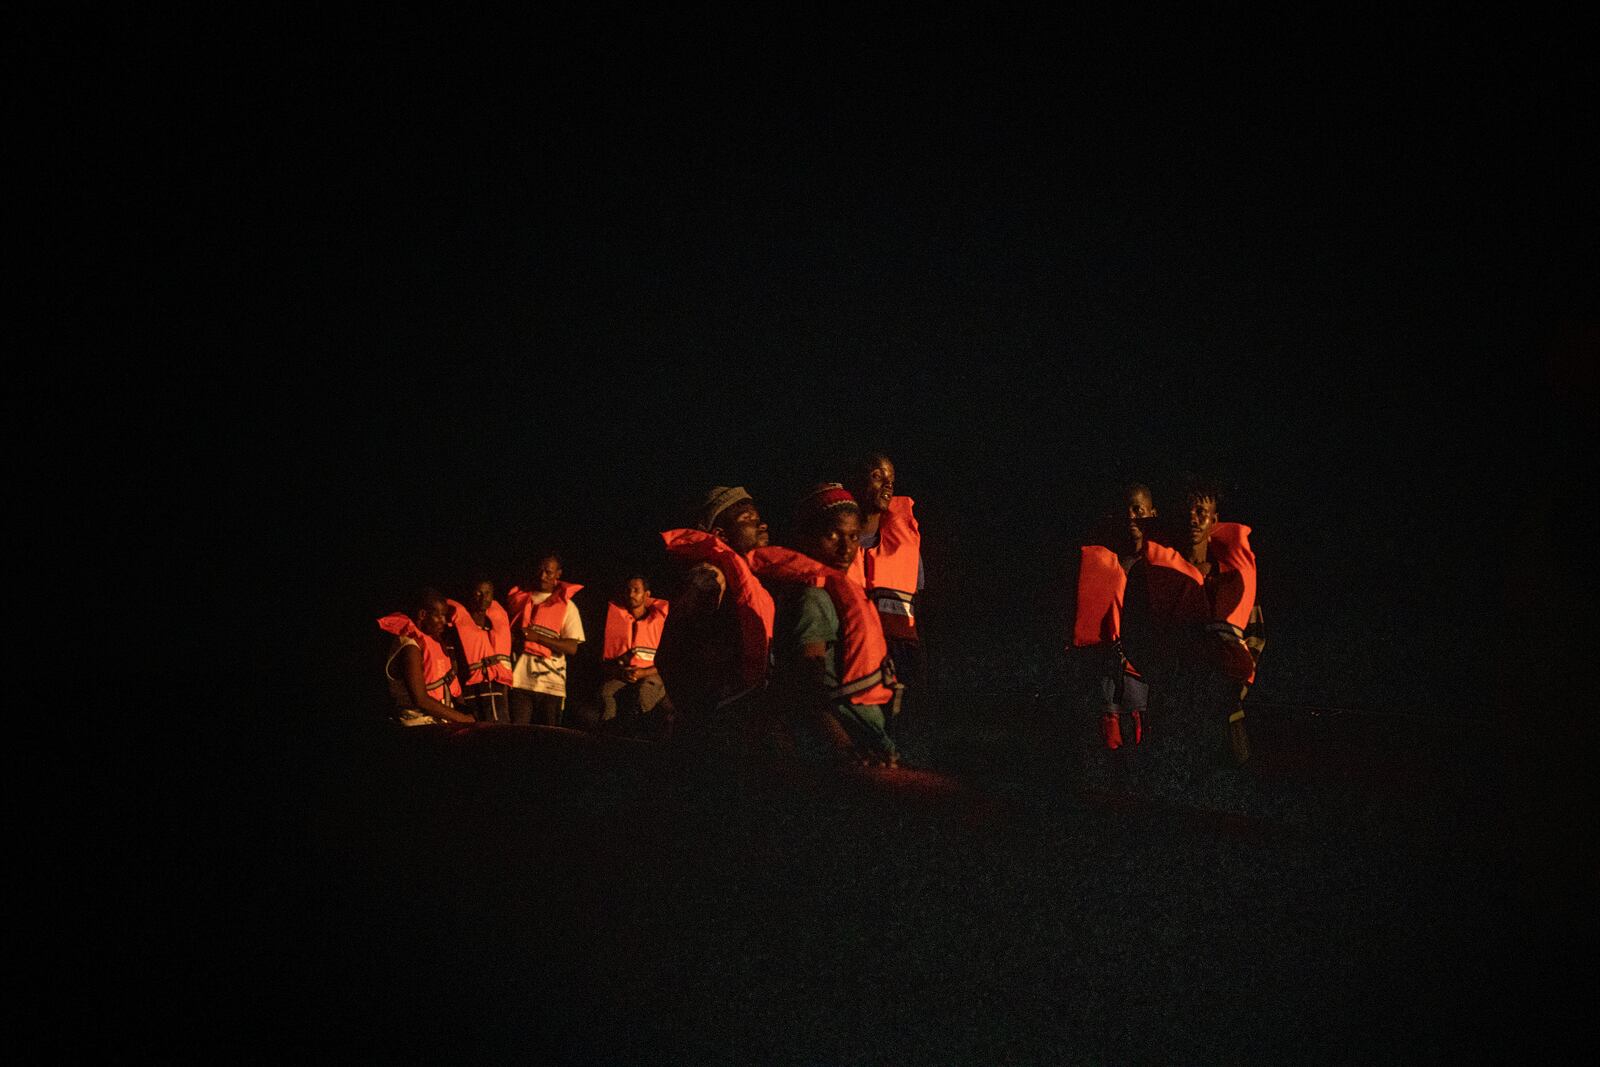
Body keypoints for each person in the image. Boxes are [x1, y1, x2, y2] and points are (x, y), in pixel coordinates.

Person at [753, 483, 900, 768]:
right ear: (806, 538)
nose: (846, 548)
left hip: (864, 739)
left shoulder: (837, 590)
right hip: (845, 746)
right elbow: (807, 686)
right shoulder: (813, 598)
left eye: (853, 536)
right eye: (832, 535)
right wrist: (844, 749)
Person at [1131, 482, 1263, 793]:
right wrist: (1167, 672)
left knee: (1226, 798)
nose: (1192, 519)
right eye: (1186, 512)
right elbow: (1134, 634)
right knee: (1168, 797)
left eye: (1201, 512)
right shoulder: (1148, 573)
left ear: (1214, 521)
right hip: (1172, 707)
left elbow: (1256, 636)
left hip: (1223, 713)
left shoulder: (1234, 576)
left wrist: (1234, 685)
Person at [657, 486, 776, 725]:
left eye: (758, 518)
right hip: (719, 716)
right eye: (748, 519)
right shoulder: (709, 576)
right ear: (721, 535)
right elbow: (677, 651)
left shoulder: (747, 579)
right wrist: (701, 709)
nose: (761, 525)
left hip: (737, 707)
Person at [1071, 483, 1157, 752]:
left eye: (1138, 509)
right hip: (1105, 673)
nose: (1131, 516)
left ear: (1152, 514)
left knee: (1140, 745)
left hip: (1141, 674)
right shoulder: (1105, 561)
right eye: (1126, 510)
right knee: (1104, 747)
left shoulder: (1160, 565)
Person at [506, 554, 586, 726]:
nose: (543, 576)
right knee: (517, 735)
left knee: (549, 739)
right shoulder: (518, 600)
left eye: (548, 572)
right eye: (540, 571)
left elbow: (572, 648)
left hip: (551, 685)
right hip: (520, 681)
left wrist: (538, 638)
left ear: (558, 574)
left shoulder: (568, 607)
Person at [377, 588, 475, 725]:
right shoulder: (410, 646)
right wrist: (464, 720)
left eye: (445, 616)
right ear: (422, 614)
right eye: (439, 616)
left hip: (440, 722)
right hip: (419, 724)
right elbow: (421, 699)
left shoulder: (435, 642)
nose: (444, 621)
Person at [598, 575, 672, 737]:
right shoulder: (615, 620)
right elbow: (606, 664)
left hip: (653, 673)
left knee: (643, 694)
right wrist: (622, 672)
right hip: (625, 674)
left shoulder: (662, 622)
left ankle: (640, 737)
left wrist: (643, 673)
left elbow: (669, 661)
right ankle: (606, 733)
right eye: (628, 590)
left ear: (646, 595)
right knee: (605, 692)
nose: (631, 594)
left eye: (636, 590)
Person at [445, 578, 514, 723]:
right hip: (470, 690)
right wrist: (459, 699)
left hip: (498, 689)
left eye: (487, 593)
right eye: (478, 593)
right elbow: (452, 664)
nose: (483, 598)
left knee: (500, 732)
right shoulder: (456, 628)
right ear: (470, 594)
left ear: (492, 596)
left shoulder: (495, 624)